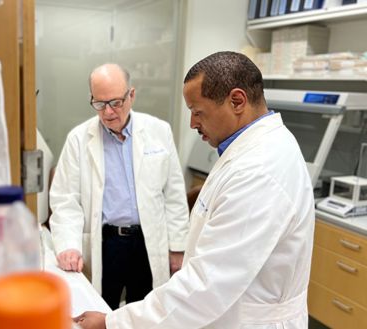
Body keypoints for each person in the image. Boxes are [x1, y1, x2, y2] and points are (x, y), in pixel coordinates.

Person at [74, 51, 315, 328]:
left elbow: (206, 286)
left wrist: (112, 322)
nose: (192, 123)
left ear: (237, 101)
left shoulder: (258, 170)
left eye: (198, 112)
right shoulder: (245, 151)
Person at [49, 63, 189, 310]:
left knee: (147, 313)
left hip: (148, 242)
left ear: (131, 95)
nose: (108, 112)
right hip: (106, 244)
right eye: (99, 104)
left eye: (115, 102)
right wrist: (69, 245)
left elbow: (174, 194)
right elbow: (65, 200)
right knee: (102, 311)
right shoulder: (78, 139)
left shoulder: (158, 131)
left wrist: (177, 247)